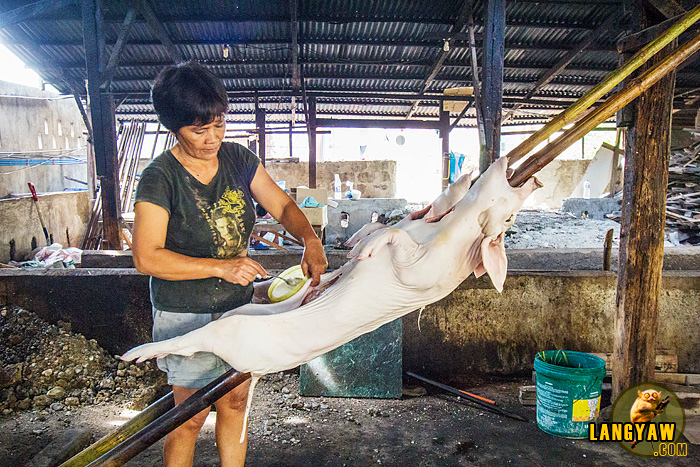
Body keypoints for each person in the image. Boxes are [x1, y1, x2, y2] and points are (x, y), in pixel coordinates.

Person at [132, 61, 328, 467]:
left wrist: (310, 238)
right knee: (189, 416)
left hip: (237, 307)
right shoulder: (160, 178)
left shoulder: (238, 158)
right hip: (186, 313)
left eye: (218, 125)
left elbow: (283, 205)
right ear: (174, 127)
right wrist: (220, 267)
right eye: (198, 130)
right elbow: (146, 256)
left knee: (236, 401)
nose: (211, 138)